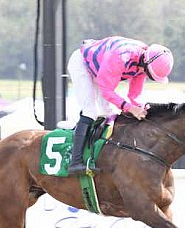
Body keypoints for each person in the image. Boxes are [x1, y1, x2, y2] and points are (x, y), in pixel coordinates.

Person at [66, 36, 174, 175]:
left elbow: (134, 95)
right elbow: (106, 90)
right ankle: (75, 162)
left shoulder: (144, 62)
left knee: (108, 112)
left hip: (100, 69)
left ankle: (98, 154)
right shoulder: (120, 57)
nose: (146, 76)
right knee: (90, 111)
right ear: (145, 62)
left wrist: (141, 107)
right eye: (149, 74)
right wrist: (130, 108)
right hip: (82, 64)